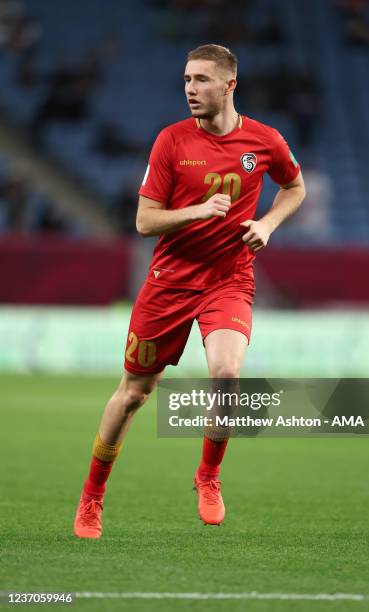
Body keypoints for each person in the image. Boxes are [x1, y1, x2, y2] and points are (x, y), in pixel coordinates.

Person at [73, 44, 305, 538]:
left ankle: (208, 476)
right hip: (170, 283)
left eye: (200, 80)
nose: (190, 90)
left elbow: (295, 187)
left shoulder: (264, 141)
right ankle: (92, 496)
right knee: (134, 393)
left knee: (226, 375)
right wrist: (195, 212)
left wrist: (267, 223)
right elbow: (143, 221)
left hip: (229, 279)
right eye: (186, 80)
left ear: (229, 85)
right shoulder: (171, 142)